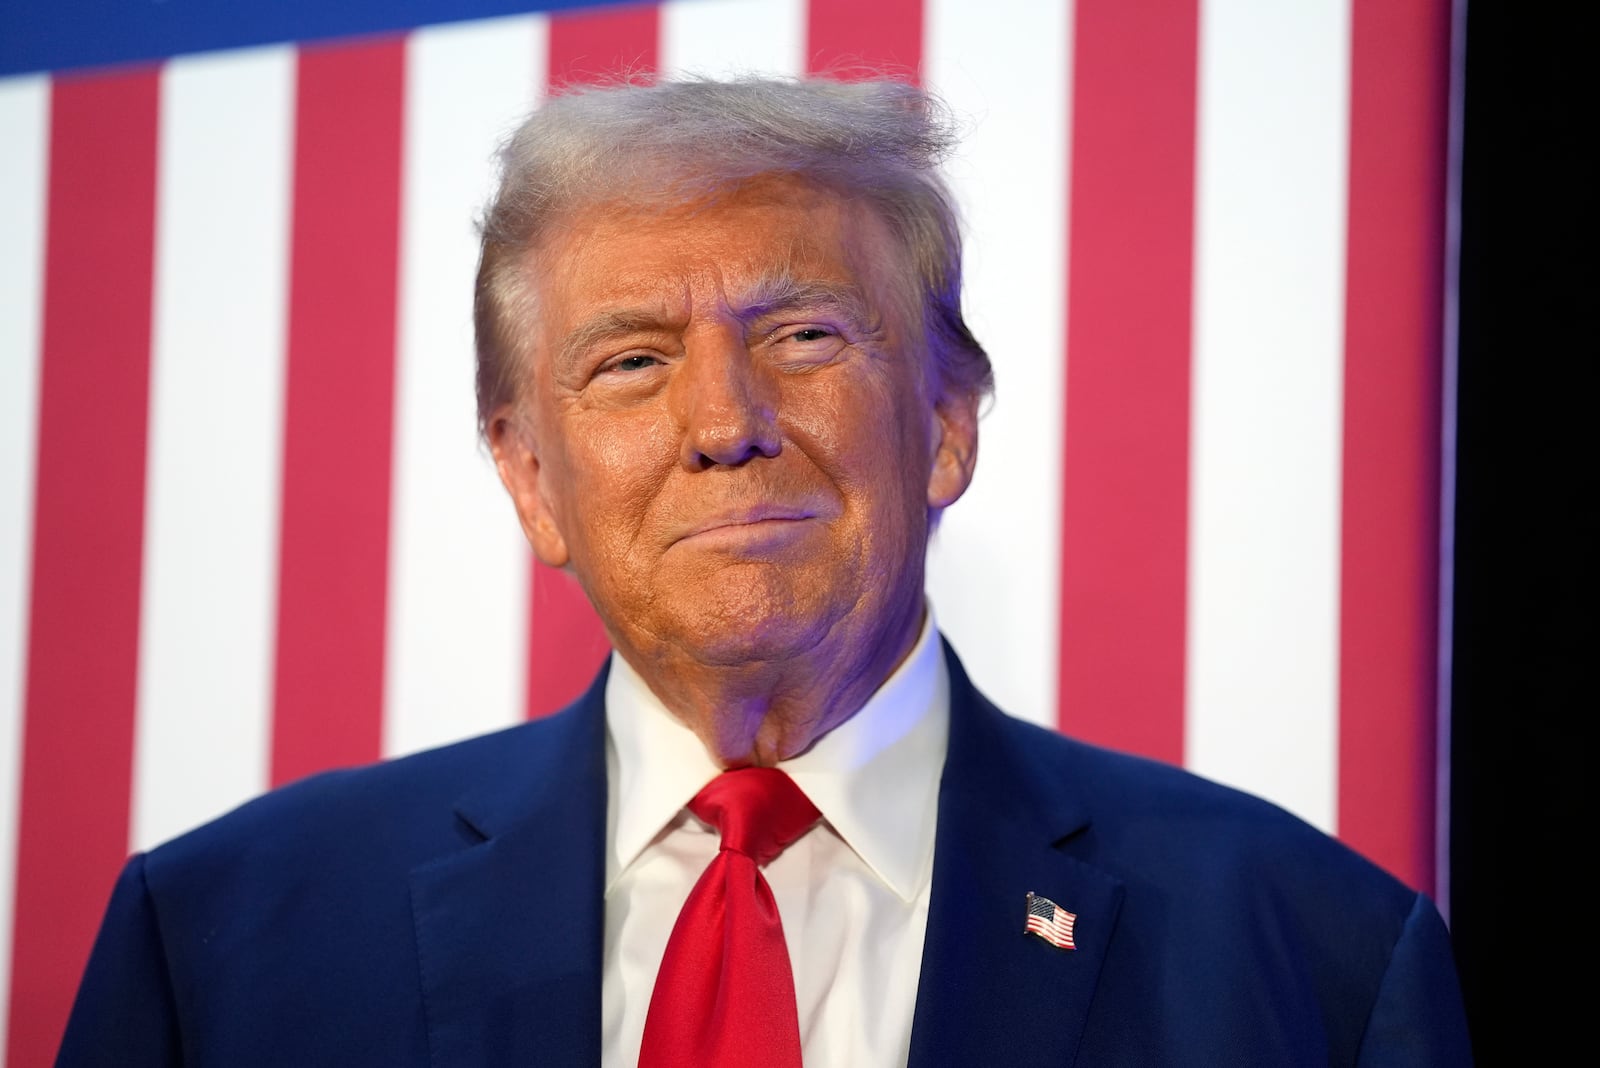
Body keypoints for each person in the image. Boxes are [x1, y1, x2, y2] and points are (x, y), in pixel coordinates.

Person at [58, 77, 1472, 1066]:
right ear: (530, 478)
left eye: (803, 337)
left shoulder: (1313, 959)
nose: (726, 424)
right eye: (630, 362)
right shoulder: (225, 948)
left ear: (946, 423)